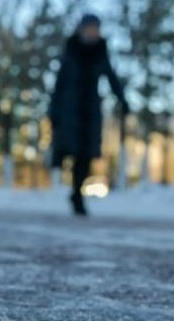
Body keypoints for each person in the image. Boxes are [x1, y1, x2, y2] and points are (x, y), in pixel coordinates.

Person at [50, 13, 129, 217]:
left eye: (96, 28)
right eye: (90, 28)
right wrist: (54, 110)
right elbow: (60, 83)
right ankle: (74, 191)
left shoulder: (100, 52)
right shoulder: (71, 50)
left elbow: (111, 77)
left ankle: (77, 194)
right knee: (71, 150)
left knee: (86, 155)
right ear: (82, 29)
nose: (93, 32)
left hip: (91, 109)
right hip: (71, 109)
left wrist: (122, 99)